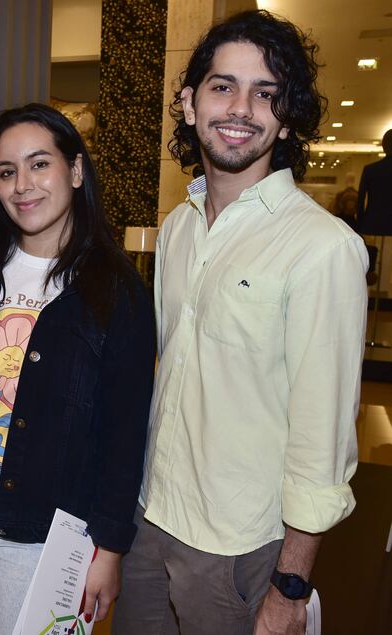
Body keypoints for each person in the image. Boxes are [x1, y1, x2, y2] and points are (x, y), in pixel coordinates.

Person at [112, 10, 368, 635]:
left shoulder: (322, 247)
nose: (241, 108)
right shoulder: (176, 228)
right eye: (223, 86)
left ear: (286, 117)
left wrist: (288, 590)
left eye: (266, 94)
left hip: (238, 547)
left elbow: (323, 442)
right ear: (188, 101)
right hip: (149, 518)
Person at [0, 103, 155, 634]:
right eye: (6, 171)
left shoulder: (117, 292)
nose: (23, 185)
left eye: (40, 164)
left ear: (76, 170)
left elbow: (126, 432)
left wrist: (110, 547)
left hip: (38, 527)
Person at [357, 129, 392, 235]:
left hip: (373, 223)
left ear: (383, 146)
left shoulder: (371, 170)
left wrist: (360, 223)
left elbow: (360, 200)